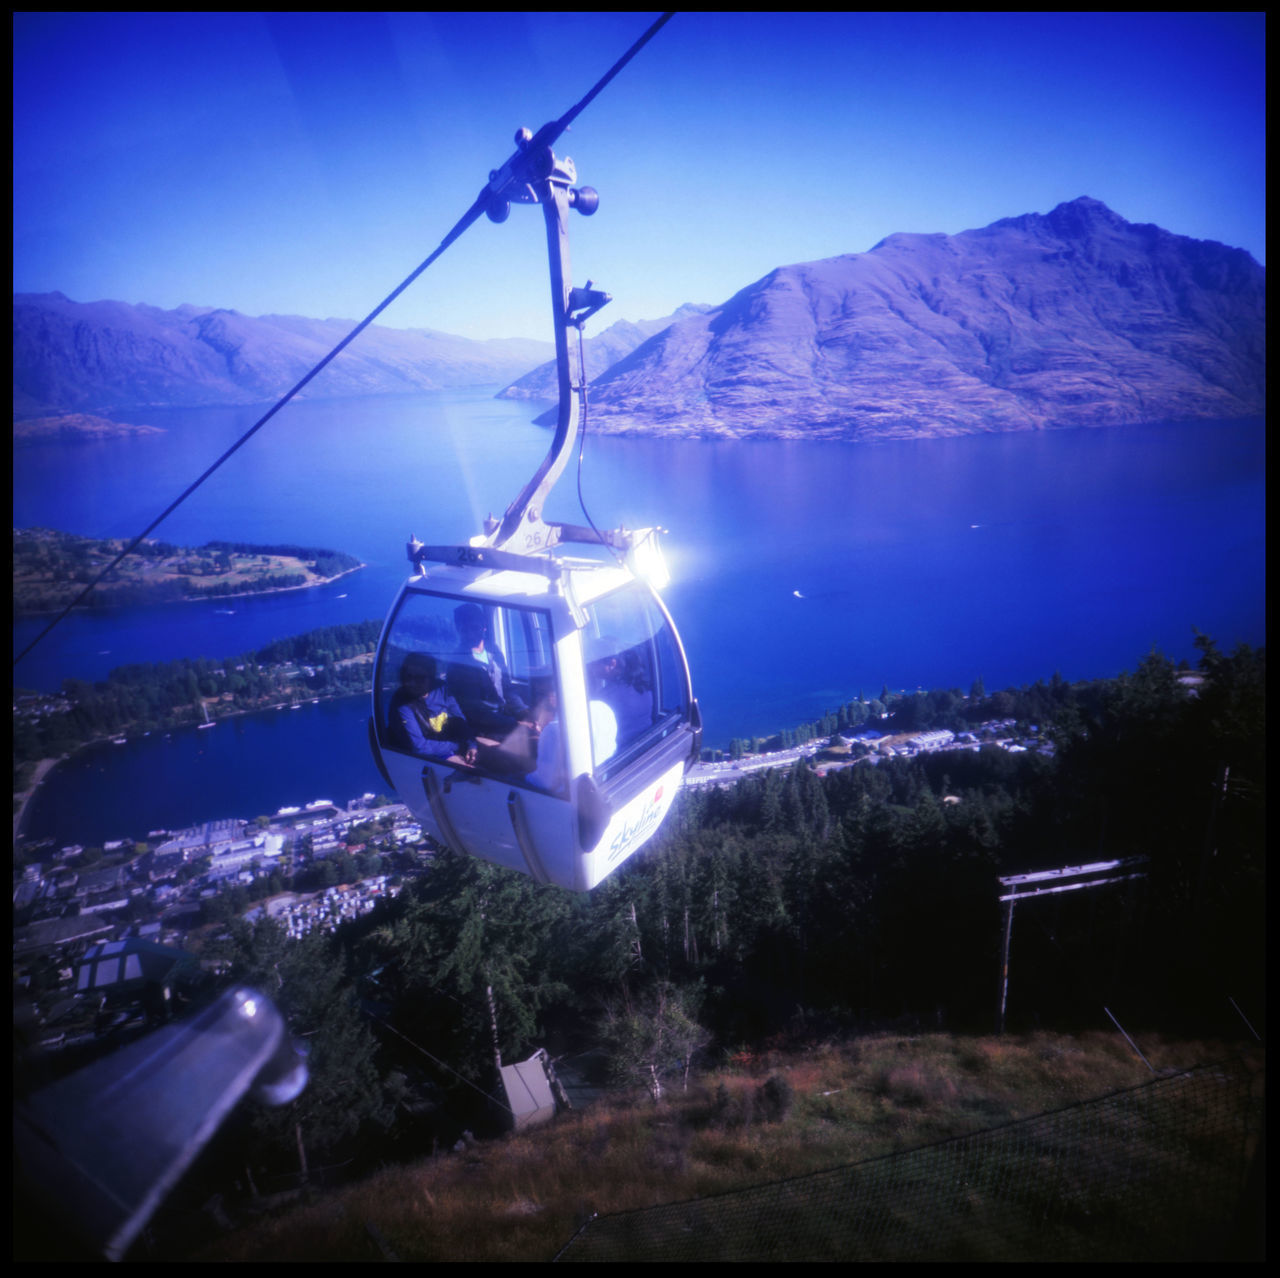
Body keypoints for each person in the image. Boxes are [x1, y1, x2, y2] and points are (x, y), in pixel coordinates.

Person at [446, 603, 531, 738]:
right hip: (479, 728)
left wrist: (524, 712)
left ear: (484, 626)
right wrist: (516, 724)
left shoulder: (494, 650)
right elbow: (474, 712)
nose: (470, 634)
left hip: (503, 715)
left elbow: (507, 688)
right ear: (458, 630)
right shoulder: (457, 663)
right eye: (464, 630)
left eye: (475, 628)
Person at [387, 652, 477, 764]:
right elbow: (420, 747)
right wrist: (459, 746)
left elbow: (460, 720)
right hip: (425, 757)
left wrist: (471, 744)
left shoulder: (442, 689)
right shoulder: (402, 703)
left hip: (448, 742)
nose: (412, 683)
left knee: (495, 752)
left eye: (420, 678)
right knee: (475, 775)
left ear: (431, 677)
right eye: (408, 677)